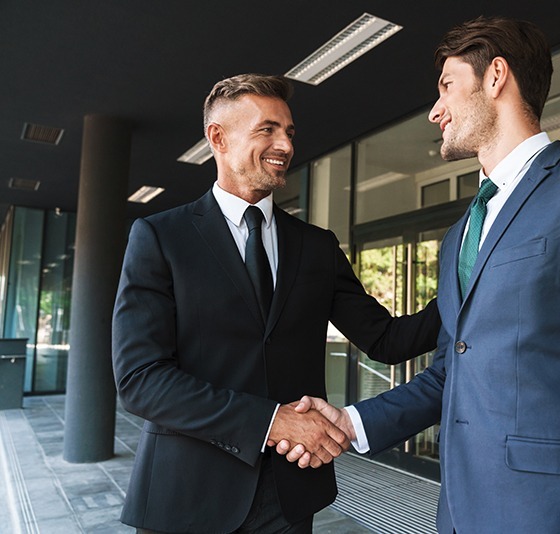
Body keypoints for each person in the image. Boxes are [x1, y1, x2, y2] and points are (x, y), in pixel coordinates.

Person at [281, 16, 560, 533]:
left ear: (495, 77)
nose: (434, 111)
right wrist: (351, 423)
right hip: (458, 513)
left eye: (447, 86)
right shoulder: (457, 239)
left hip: (550, 516)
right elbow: (451, 373)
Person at [111, 73, 440, 534]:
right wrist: (271, 422)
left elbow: (386, 340)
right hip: (188, 495)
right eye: (267, 129)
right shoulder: (160, 237)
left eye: (289, 132)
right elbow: (141, 381)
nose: (284, 144)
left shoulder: (316, 246)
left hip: (289, 498)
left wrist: (471, 281)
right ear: (218, 138)